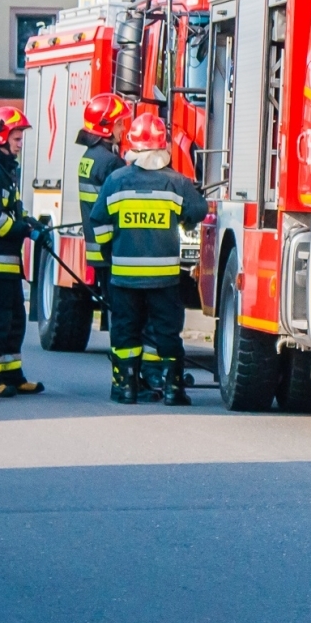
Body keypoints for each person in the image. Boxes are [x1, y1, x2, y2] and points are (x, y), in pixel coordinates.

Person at [87, 113, 207, 406]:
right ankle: (172, 390)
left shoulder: (115, 181)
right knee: (167, 333)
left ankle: (125, 389)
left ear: (134, 146)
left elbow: (98, 223)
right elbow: (197, 212)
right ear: (162, 146)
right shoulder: (177, 183)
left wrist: (110, 252)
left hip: (124, 278)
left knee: (125, 332)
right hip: (164, 279)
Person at [75, 93, 152, 400]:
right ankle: (125, 381)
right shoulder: (110, 164)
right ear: (107, 127)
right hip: (114, 254)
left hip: (101, 255)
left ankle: (125, 379)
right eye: (120, 124)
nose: (124, 129)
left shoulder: (89, 159)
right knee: (128, 321)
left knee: (121, 319)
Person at [0, 105, 45, 396]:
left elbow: (12, 210)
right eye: (16, 138)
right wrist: (25, 231)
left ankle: (13, 375)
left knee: (14, 322)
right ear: (1, 138)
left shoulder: (4, 170)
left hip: (7, 266)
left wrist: (30, 220)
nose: (20, 143)